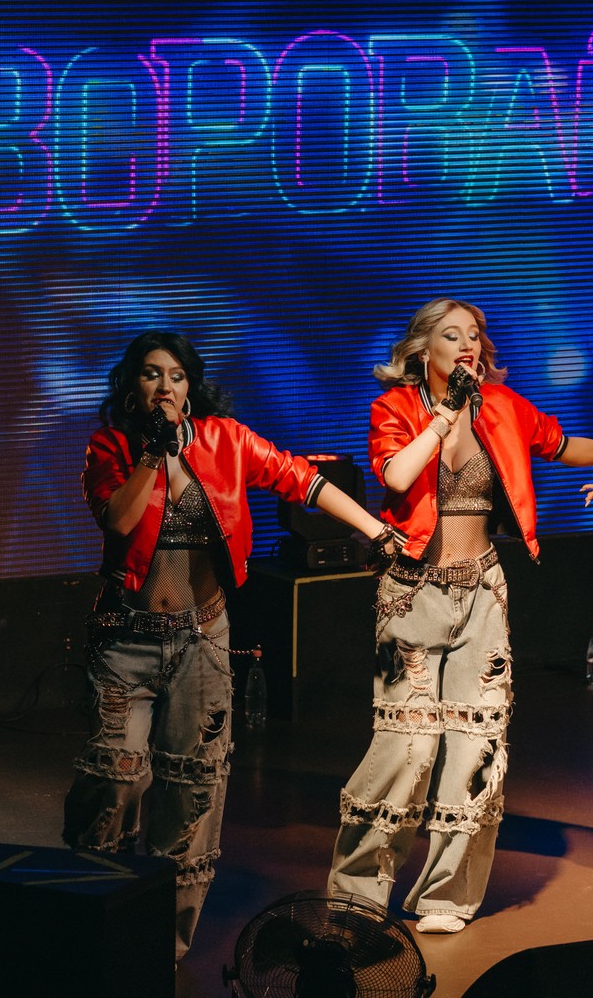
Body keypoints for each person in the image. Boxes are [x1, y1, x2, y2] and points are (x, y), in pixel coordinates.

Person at [64, 330, 398, 959]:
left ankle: (161, 943)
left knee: (191, 787)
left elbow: (302, 480)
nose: (165, 386)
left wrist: (374, 527)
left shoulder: (226, 439)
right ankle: (94, 919)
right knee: (115, 778)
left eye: (177, 376)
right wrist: (153, 454)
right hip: (127, 641)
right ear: (132, 387)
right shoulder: (112, 445)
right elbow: (118, 519)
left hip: (203, 639)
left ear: (191, 387)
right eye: (152, 374)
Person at [327, 297, 593, 935]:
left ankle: (446, 896)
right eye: (451, 335)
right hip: (411, 595)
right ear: (423, 352)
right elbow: (397, 476)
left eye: (474, 336)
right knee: (406, 750)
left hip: (483, 595)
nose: (467, 345)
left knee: (475, 750)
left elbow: (559, 442)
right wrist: (443, 419)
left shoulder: (504, 406)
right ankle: (357, 893)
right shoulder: (395, 409)